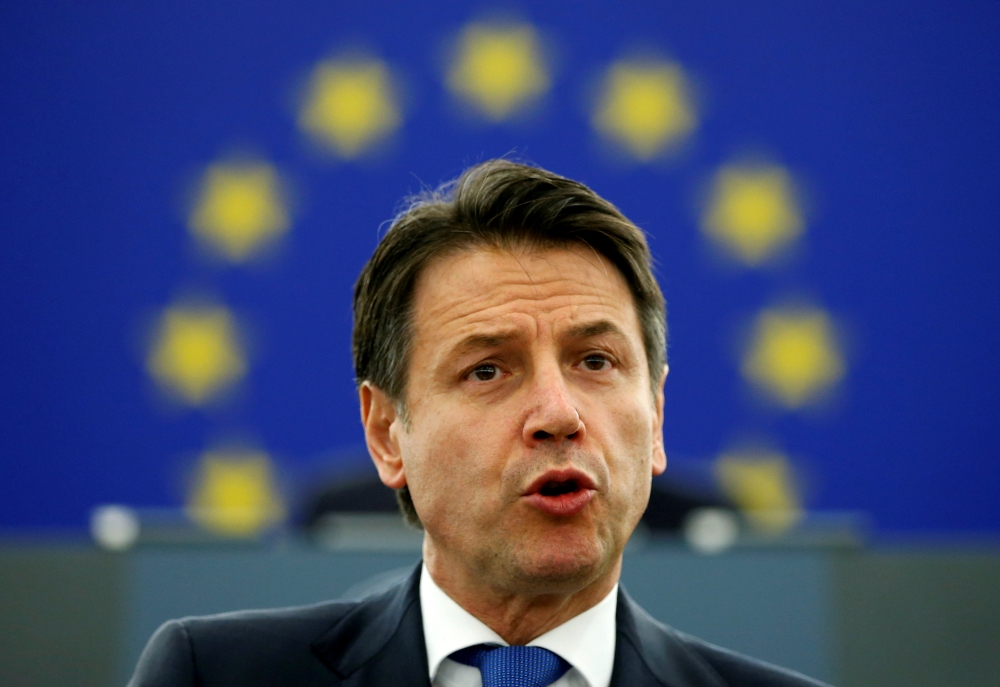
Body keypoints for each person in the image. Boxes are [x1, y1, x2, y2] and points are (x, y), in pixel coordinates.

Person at [129, 160, 830, 687]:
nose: (559, 413)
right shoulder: (211, 674)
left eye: (595, 360)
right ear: (386, 433)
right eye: (488, 370)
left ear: (657, 417)